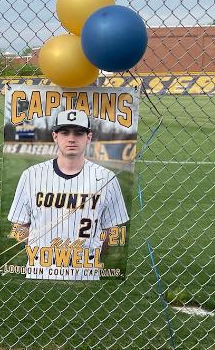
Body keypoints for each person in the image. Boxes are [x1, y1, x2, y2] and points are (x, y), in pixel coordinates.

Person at [7, 109, 129, 281]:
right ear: (55, 136)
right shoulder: (31, 175)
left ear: (89, 137)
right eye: (65, 132)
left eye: (79, 133)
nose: (71, 138)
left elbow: (112, 230)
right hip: (40, 270)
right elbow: (19, 225)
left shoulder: (107, 178)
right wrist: (40, 252)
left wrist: (93, 254)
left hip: (85, 273)